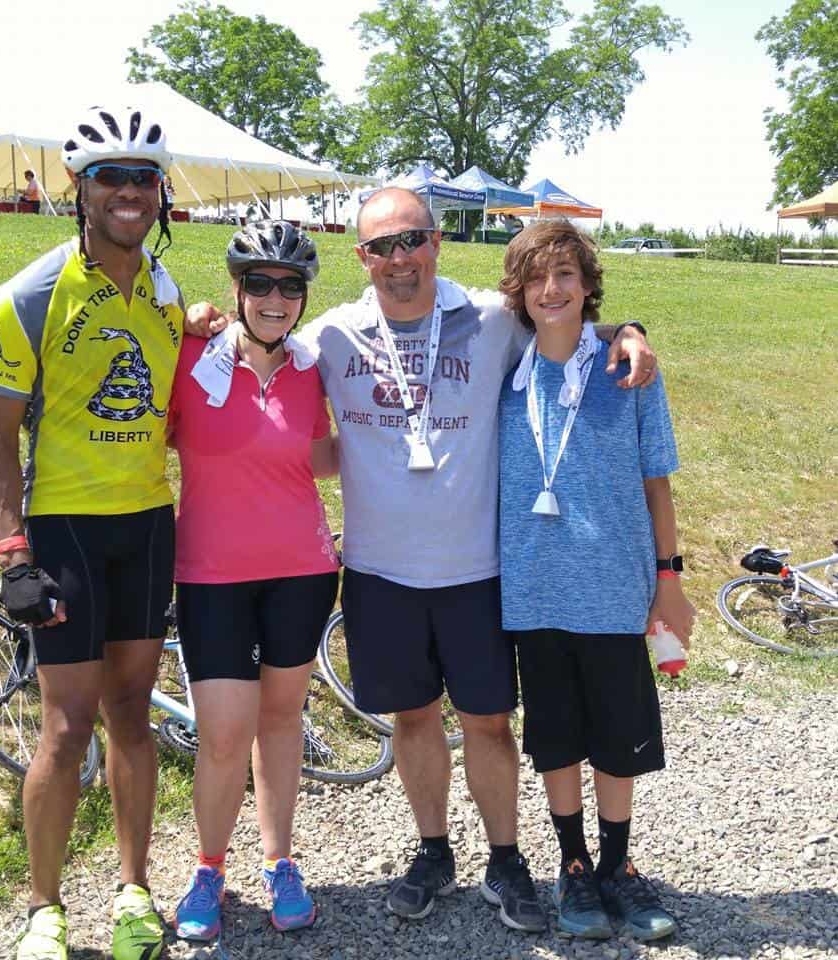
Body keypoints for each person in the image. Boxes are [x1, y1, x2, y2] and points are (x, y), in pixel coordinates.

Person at [190, 186, 656, 932]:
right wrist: (201, 320)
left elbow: (565, 320)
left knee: (488, 723)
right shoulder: (333, 337)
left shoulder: (493, 320)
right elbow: (260, 358)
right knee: (411, 721)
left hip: (475, 569)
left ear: (437, 243)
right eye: (381, 247)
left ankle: (505, 859)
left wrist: (626, 330)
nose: (399, 259)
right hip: (380, 572)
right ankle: (432, 849)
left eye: (412, 241)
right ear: (361, 258)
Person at [0, 104, 183, 960]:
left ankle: (135, 892)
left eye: (143, 178)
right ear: (79, 188)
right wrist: (11, 554)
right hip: (63, 528)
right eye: (111, 178)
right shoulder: (28, 294)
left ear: (160, 192)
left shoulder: (168, 293)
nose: (129, 193)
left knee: (132, 714)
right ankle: (43, 908)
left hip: (145, 525)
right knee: (65, 726)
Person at [497, 220, 696, 940]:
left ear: (587, 286)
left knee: (617, 740)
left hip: (613, 590)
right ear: (516, 292)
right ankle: (574, 866)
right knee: (555, 740)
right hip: (532, 591)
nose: (550, 290)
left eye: (565, 276)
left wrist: (668, 579)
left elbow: (656, 486)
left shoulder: (628, 370)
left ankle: (617, 865)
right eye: (535, 278)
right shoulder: (503, 374)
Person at [168, 221, 339, 942]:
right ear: (236, 289)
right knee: (222, 735)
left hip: (301, 571)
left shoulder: (313, 368)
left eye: (290, 286)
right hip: (210, 576)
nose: (275, 298)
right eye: (260, 283)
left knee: (279, 723)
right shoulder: (189, 355)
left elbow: (321, 457)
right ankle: (209, 867)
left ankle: (278, 860)